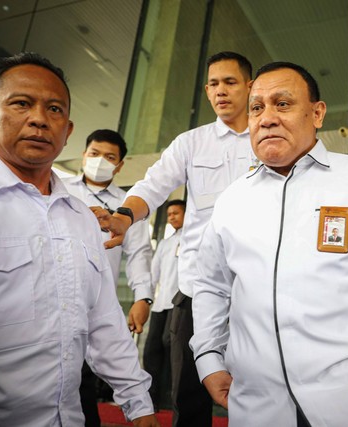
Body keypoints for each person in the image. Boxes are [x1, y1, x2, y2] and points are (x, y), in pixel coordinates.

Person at [189, 61, 348, 427]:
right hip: (258, 410)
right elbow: (210, 286)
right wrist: (209, 359)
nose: (266, 118)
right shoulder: (232, 199)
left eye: (282, 104)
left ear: (317, 113)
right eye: (256, 107)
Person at [0, 52, 159, 426]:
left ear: (68, 131)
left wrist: (139, 405)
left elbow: (105, 320)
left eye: (54, 109)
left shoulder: (81, 219)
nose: (39, 118)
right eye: (21, 104)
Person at [96, 51, 255, 427]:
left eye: (230, 82)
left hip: (258, 286)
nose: (221, 91)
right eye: (213, 84)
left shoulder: (269, 138)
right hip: (198, 287)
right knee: (189, 388)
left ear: (249, 86)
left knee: (259, 384)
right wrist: (124, 215)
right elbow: (152, 185)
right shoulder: (191, 143)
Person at [62, 129, 154, 426]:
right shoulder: (59, 189)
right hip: (53, 298)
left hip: (96, 304)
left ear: (120, 165)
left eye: (109, 157)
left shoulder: (128, 205)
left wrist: (143, 297)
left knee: (85, 381)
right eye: (94, 154)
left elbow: (139, 253)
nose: (100, 161)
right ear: (83, 154)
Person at [143, 199, 186, 411]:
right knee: (152, 350)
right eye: (169, 214)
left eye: (176, 213)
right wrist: (146, 299)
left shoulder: (192, 240)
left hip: (179, 304)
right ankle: (152, 399)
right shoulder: (164, 243)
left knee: (171, 348)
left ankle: (171, 399)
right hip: (160, 304)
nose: (171, 217)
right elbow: (153, 274)